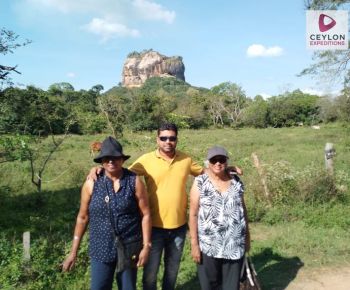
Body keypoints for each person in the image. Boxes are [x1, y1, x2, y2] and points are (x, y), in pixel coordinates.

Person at [88, 123, 243, 290]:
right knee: (150, 275)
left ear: (176, 140)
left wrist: (227, 169)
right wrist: (98, 169)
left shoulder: (186, 159)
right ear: (157, 139)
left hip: (179, 227)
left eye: (172, 138)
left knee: (172, 272)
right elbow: (121, 173)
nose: (167, 141)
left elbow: (208, 172)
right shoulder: (146, 160)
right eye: (163, 138)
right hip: (154, 227)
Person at [62, 136, 151, 290]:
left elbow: (146, 215)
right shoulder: (92, 183)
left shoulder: (134, 181)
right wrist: (73, 252)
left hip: (129, 244)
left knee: (128, 287)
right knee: (99, 286)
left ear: (122, 159)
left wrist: (146, 246)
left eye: (115, 157)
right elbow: (82, 218)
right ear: (101, 161)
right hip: (100, 246)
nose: (111, 161)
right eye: (107, 158)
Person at [189, 146, 250, 290]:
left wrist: (247, 236)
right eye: (214, 160)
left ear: (226, 162)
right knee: (210, 285)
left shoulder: (236, 181)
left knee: (231, 286)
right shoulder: (200, 182)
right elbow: (193, 213)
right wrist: (194, 244)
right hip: (208, 245)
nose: (218, 163)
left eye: (221, 160)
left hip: (233, 244)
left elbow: (243, 210)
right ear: (208, 162)